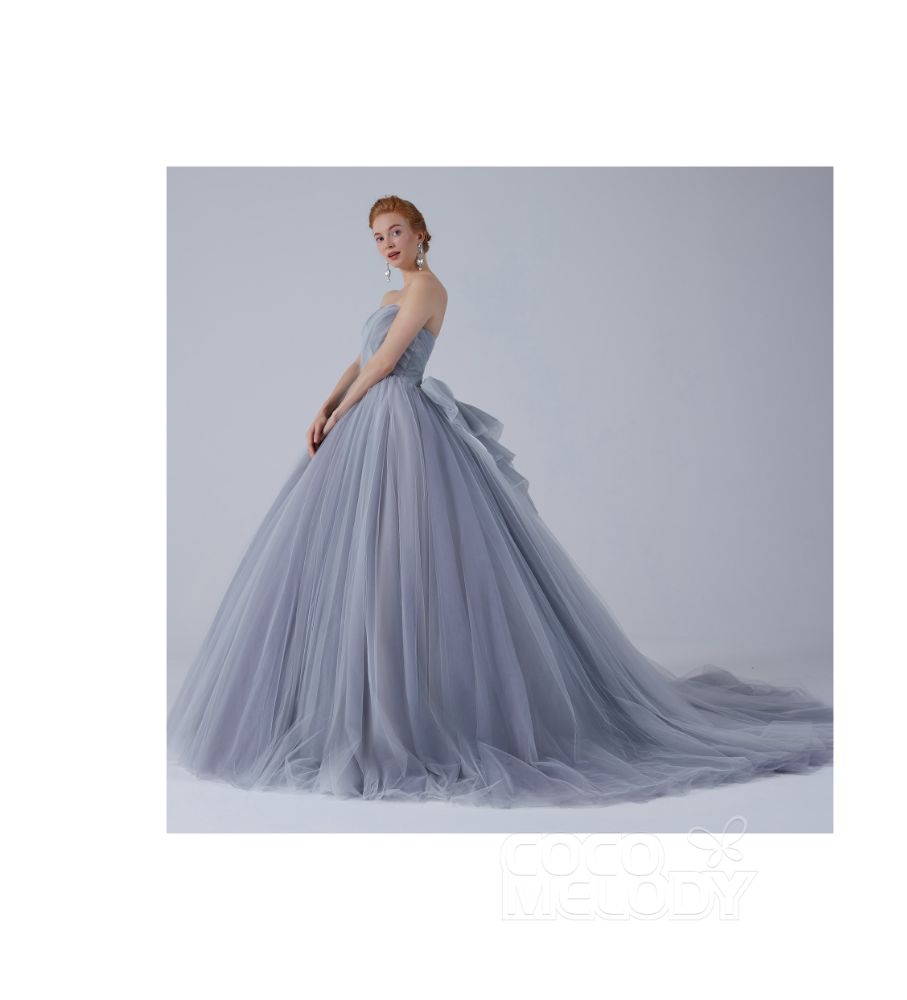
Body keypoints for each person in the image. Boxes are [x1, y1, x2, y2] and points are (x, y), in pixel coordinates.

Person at [167, 194, 833, 809]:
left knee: (408, 559)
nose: (387, 244)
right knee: (360, 563)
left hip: (401, 427)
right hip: (368, 422)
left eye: (396, 231)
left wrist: (343, 413)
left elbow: (389, 362)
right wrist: (327, 401)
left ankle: (418, 708)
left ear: (420, 233)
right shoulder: (391, 292)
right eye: (377, 237)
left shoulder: (428, 289)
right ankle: (360, 704)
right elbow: (360, 357)